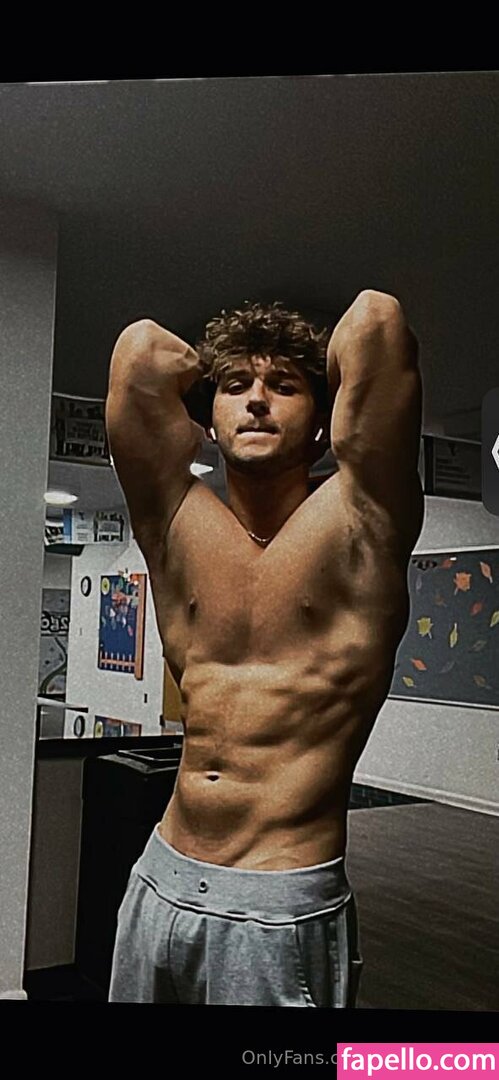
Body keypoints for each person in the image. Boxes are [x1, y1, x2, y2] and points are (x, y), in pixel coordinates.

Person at [105, 292, 424, 1006]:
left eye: (283, 386)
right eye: (234, 386)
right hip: (160, 875)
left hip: (277, 898)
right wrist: (213, 367)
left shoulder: (362, 523)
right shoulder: (175, 521)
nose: (255, 400)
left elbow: (375, 321)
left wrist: (288, 369)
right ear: (207, 422)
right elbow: (141, 354)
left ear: (324, 424)